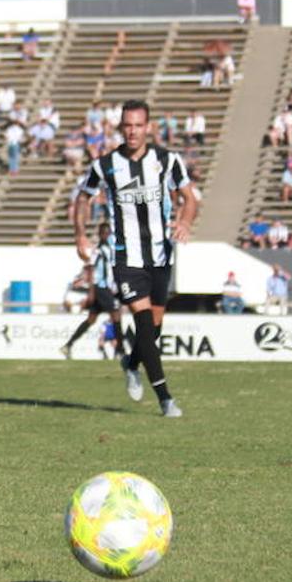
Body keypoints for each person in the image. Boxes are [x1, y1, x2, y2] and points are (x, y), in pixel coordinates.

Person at [74, 99, 197, 418]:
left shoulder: (167, 160)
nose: (132, 131)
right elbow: (83, 198)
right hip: (126, 257)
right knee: (143, 322)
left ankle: (131, 363)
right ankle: (166, 399)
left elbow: (189, 197)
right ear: (120, 127)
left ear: (148, 127)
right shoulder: (106, 165)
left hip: (160, 254)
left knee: (152, 332)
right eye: (127, 125)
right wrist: (80, 234)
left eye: (138, 125)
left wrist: (184, 222)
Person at [60, 223, 124, 358]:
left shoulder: (108, 248)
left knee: (91, 319)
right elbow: (91, 269)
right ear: (100, 234)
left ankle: (68, 345)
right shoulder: (99, 250)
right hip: (100, 288)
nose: (107, 235)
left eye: (108, 233)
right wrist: (91, 292)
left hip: (104, 288)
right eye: (104, 233)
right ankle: (120, 350)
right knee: (116, 315)